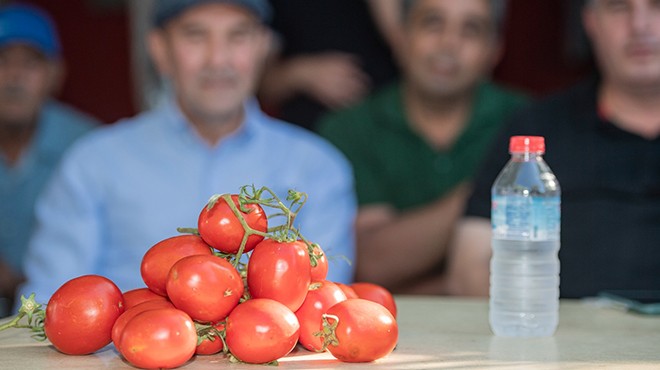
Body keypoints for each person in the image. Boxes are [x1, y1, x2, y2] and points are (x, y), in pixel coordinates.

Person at [16, 0, 356, 306]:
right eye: (196, 36)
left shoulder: (317, 166)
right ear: (159, 50)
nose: (218, 59)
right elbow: (51, 303)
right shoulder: (92, 163)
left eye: (237, 36)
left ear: (262, 47)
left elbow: (321, 307)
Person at [317, 0, 527, 295]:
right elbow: (371, 264)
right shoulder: (349, 128)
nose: (449, 43)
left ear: (495, 50)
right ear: (400, 36)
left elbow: (538, 268)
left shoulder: (530, 123)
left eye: (471, 29)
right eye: (432, 23)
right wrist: (485, 192)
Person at [455, 0, 660, 298]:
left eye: (656, 6)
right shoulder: (535, 131)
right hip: (557, 338)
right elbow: (468, 266)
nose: (639, 26)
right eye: (619, 7)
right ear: (590, 22)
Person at [0, 4, 98, 316]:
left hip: (64, 318)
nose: (14, 76)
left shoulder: (89, 145)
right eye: (1, 61)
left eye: (31, 63)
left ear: (55, 74)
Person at [257, 0, 401, 130]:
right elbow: (261, 84)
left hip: (390, 123)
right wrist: (300, 73)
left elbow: (407, 42)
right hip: (311, 131)